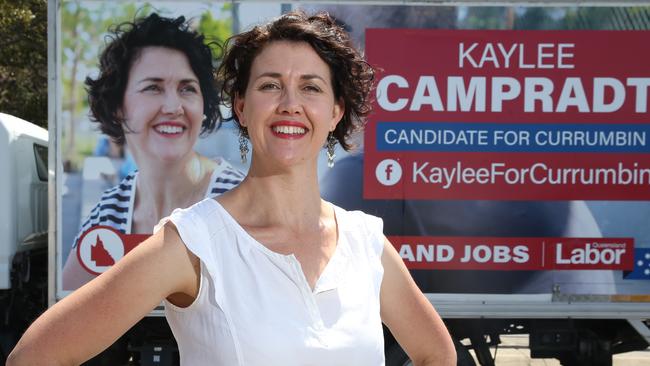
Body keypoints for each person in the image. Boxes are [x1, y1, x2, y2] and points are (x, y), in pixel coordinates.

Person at [8, 11, 456, 365]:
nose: (290, 105)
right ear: (241, 106)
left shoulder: (365, 242)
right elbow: (37, 356)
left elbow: (438, 354)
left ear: (337, 111)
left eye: (311, 88)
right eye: (270, 85)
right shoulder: (194, 243)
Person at [61, 13, 244, 290]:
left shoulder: (240, 202)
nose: (173, 106)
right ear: (118, 107)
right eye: (153, 88)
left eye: (187, 89)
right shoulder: (110, 210)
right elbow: (68, 305)